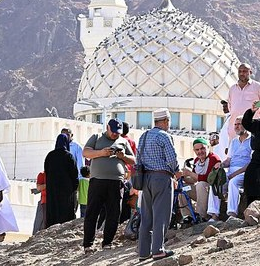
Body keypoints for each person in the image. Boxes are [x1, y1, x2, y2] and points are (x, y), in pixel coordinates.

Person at [82, 119, 135, 253]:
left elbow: (134, 160)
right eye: (113, 132)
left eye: (117, 133)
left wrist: (122, 156)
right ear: (107, 128)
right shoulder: (96, 137)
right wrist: (102, 153)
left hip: (116, 182)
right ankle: (88, 244)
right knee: (92, 212)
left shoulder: (123, 141)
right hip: (97, 181)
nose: (115, 135)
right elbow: (86, 152)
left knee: (114, 213)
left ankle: (107, 242)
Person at [137, 108, 179, 261]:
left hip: (145, 178)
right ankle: (158, 250)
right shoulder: (164, 136)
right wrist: (177, 172)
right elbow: (172, 159)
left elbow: (138, 160)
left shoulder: (143, 136)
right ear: (166, 121)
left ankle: (143, 252)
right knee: (161, 215)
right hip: (161, 178)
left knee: (146, 216)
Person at [207, 116, 252, 219]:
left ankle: (232, 213)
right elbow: (228, 161)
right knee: (215, 181)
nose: (236, 127)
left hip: (244, 172)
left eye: (239, 124)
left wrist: (233, 174)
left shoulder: (252, 140)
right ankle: (214, 214)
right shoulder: (234, 142)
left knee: (233, 182)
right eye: (235, 125)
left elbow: (251, 163)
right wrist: (221, 165)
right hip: (231, 171)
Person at [177, 138, 221, 221]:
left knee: (201, 184)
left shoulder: (213, 158)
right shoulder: (197, 160)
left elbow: (208, 178)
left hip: (211, 192)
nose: (200, 152)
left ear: (208, 147)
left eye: (202, 148)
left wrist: (190, 173)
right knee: (183, 189)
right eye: (197, 150)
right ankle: (188, 216)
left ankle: (202, 215)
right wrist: (184, 177)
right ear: (194, 151)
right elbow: (194, 179)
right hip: (200, 192)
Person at [227, 63, 260, 143]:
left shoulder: (258, 87)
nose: (242, 73)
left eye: (245, 71)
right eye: (240, 71)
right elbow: (230, 106)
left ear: (250, 72)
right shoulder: (232, 89)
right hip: (235, 131)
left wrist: (256, 111)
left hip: (251, 130)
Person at [44, 134, 79, 227]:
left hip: (52, 189)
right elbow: (75, 174)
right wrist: (74, 188)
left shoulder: (50, 156)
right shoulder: (69, 156)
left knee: (53, 209)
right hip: (66, 191)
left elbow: (46, 172)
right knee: (66, 212)